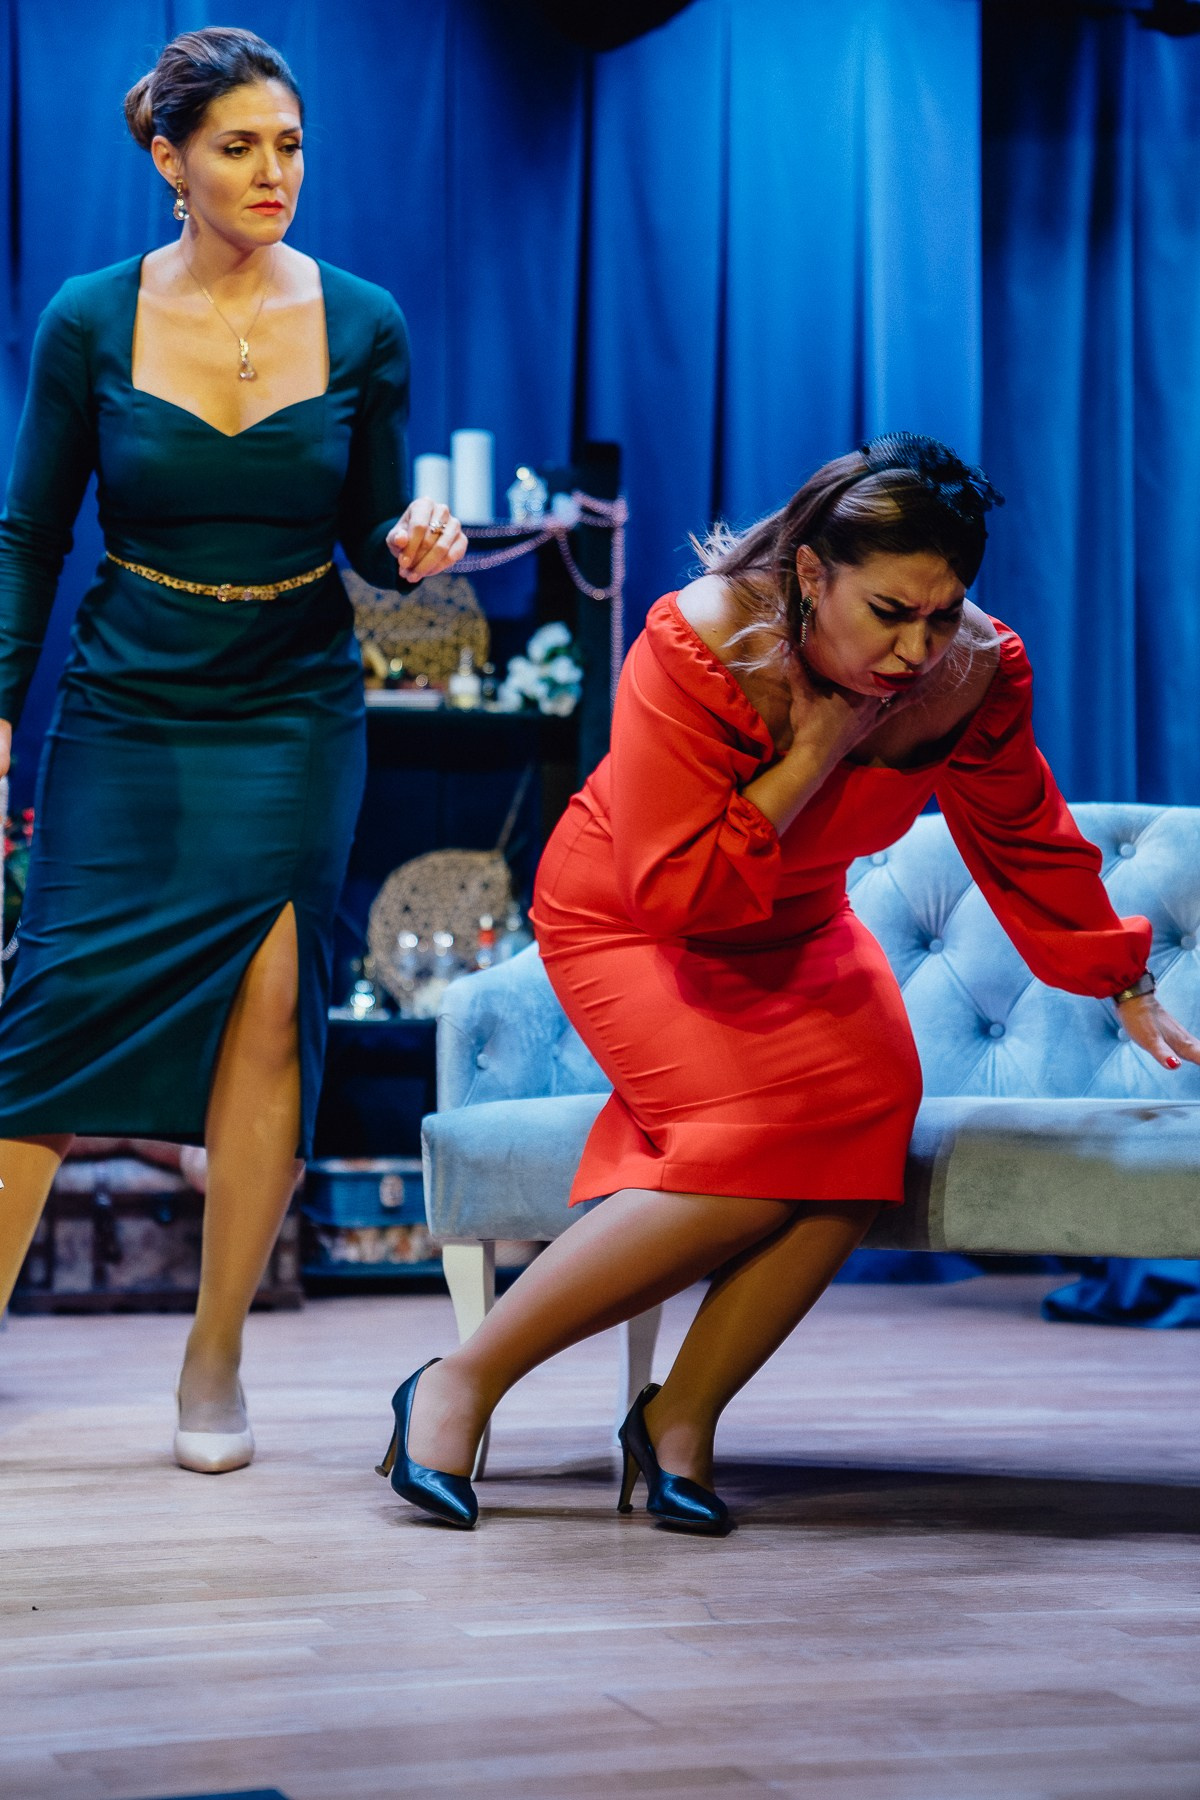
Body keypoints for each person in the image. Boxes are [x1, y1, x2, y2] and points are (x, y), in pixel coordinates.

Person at [378, 433, 1200, 1533]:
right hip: (636, 915)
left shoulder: (974, 669)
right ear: (812, 572)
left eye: (944, 612)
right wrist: (813, 753)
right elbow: (677, 889)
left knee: (869, 1125)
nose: (918, 648)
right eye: (891, 612)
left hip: (798, 916)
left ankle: (682, 1415)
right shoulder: (700, 639)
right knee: (755, 1151)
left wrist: (1118, 975)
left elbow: (1022, 831)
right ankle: (458, 1382)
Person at [0, 28, 465, 1472]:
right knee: (47, 1025)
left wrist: (411, 546)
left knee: (270, 1016)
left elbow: (371, 535)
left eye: (292, 146)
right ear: (171, 159)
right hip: (130, 699)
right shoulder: (90, 318)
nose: (275, 173)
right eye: (239, 147)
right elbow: (28, 534)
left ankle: (215, 1364)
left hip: (292, 701)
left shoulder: (365, 320)